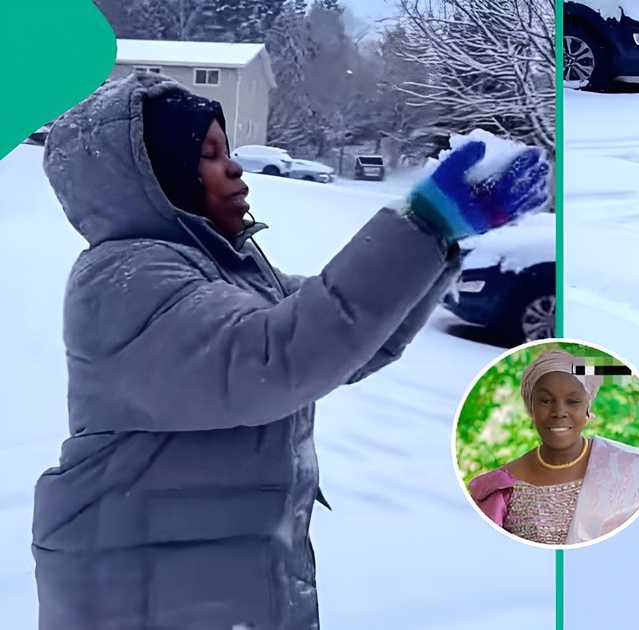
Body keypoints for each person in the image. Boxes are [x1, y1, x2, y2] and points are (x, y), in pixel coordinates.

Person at [31, 72, 550, 630]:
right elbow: (277, 360)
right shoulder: (123, 276)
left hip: (219, 581)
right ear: (150, 180)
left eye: (227, 151)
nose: (233, 167)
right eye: (206, 155)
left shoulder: (224, 271)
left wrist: (442, 238)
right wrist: (422, 224)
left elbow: (353, 344)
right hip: (137, 592)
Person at [469, 350, 639, 545]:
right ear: (530, 408)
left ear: (587, 410)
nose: (559, 412)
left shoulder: (636, 469)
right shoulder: (501, 488)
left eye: (573, 401)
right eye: (545, 401)